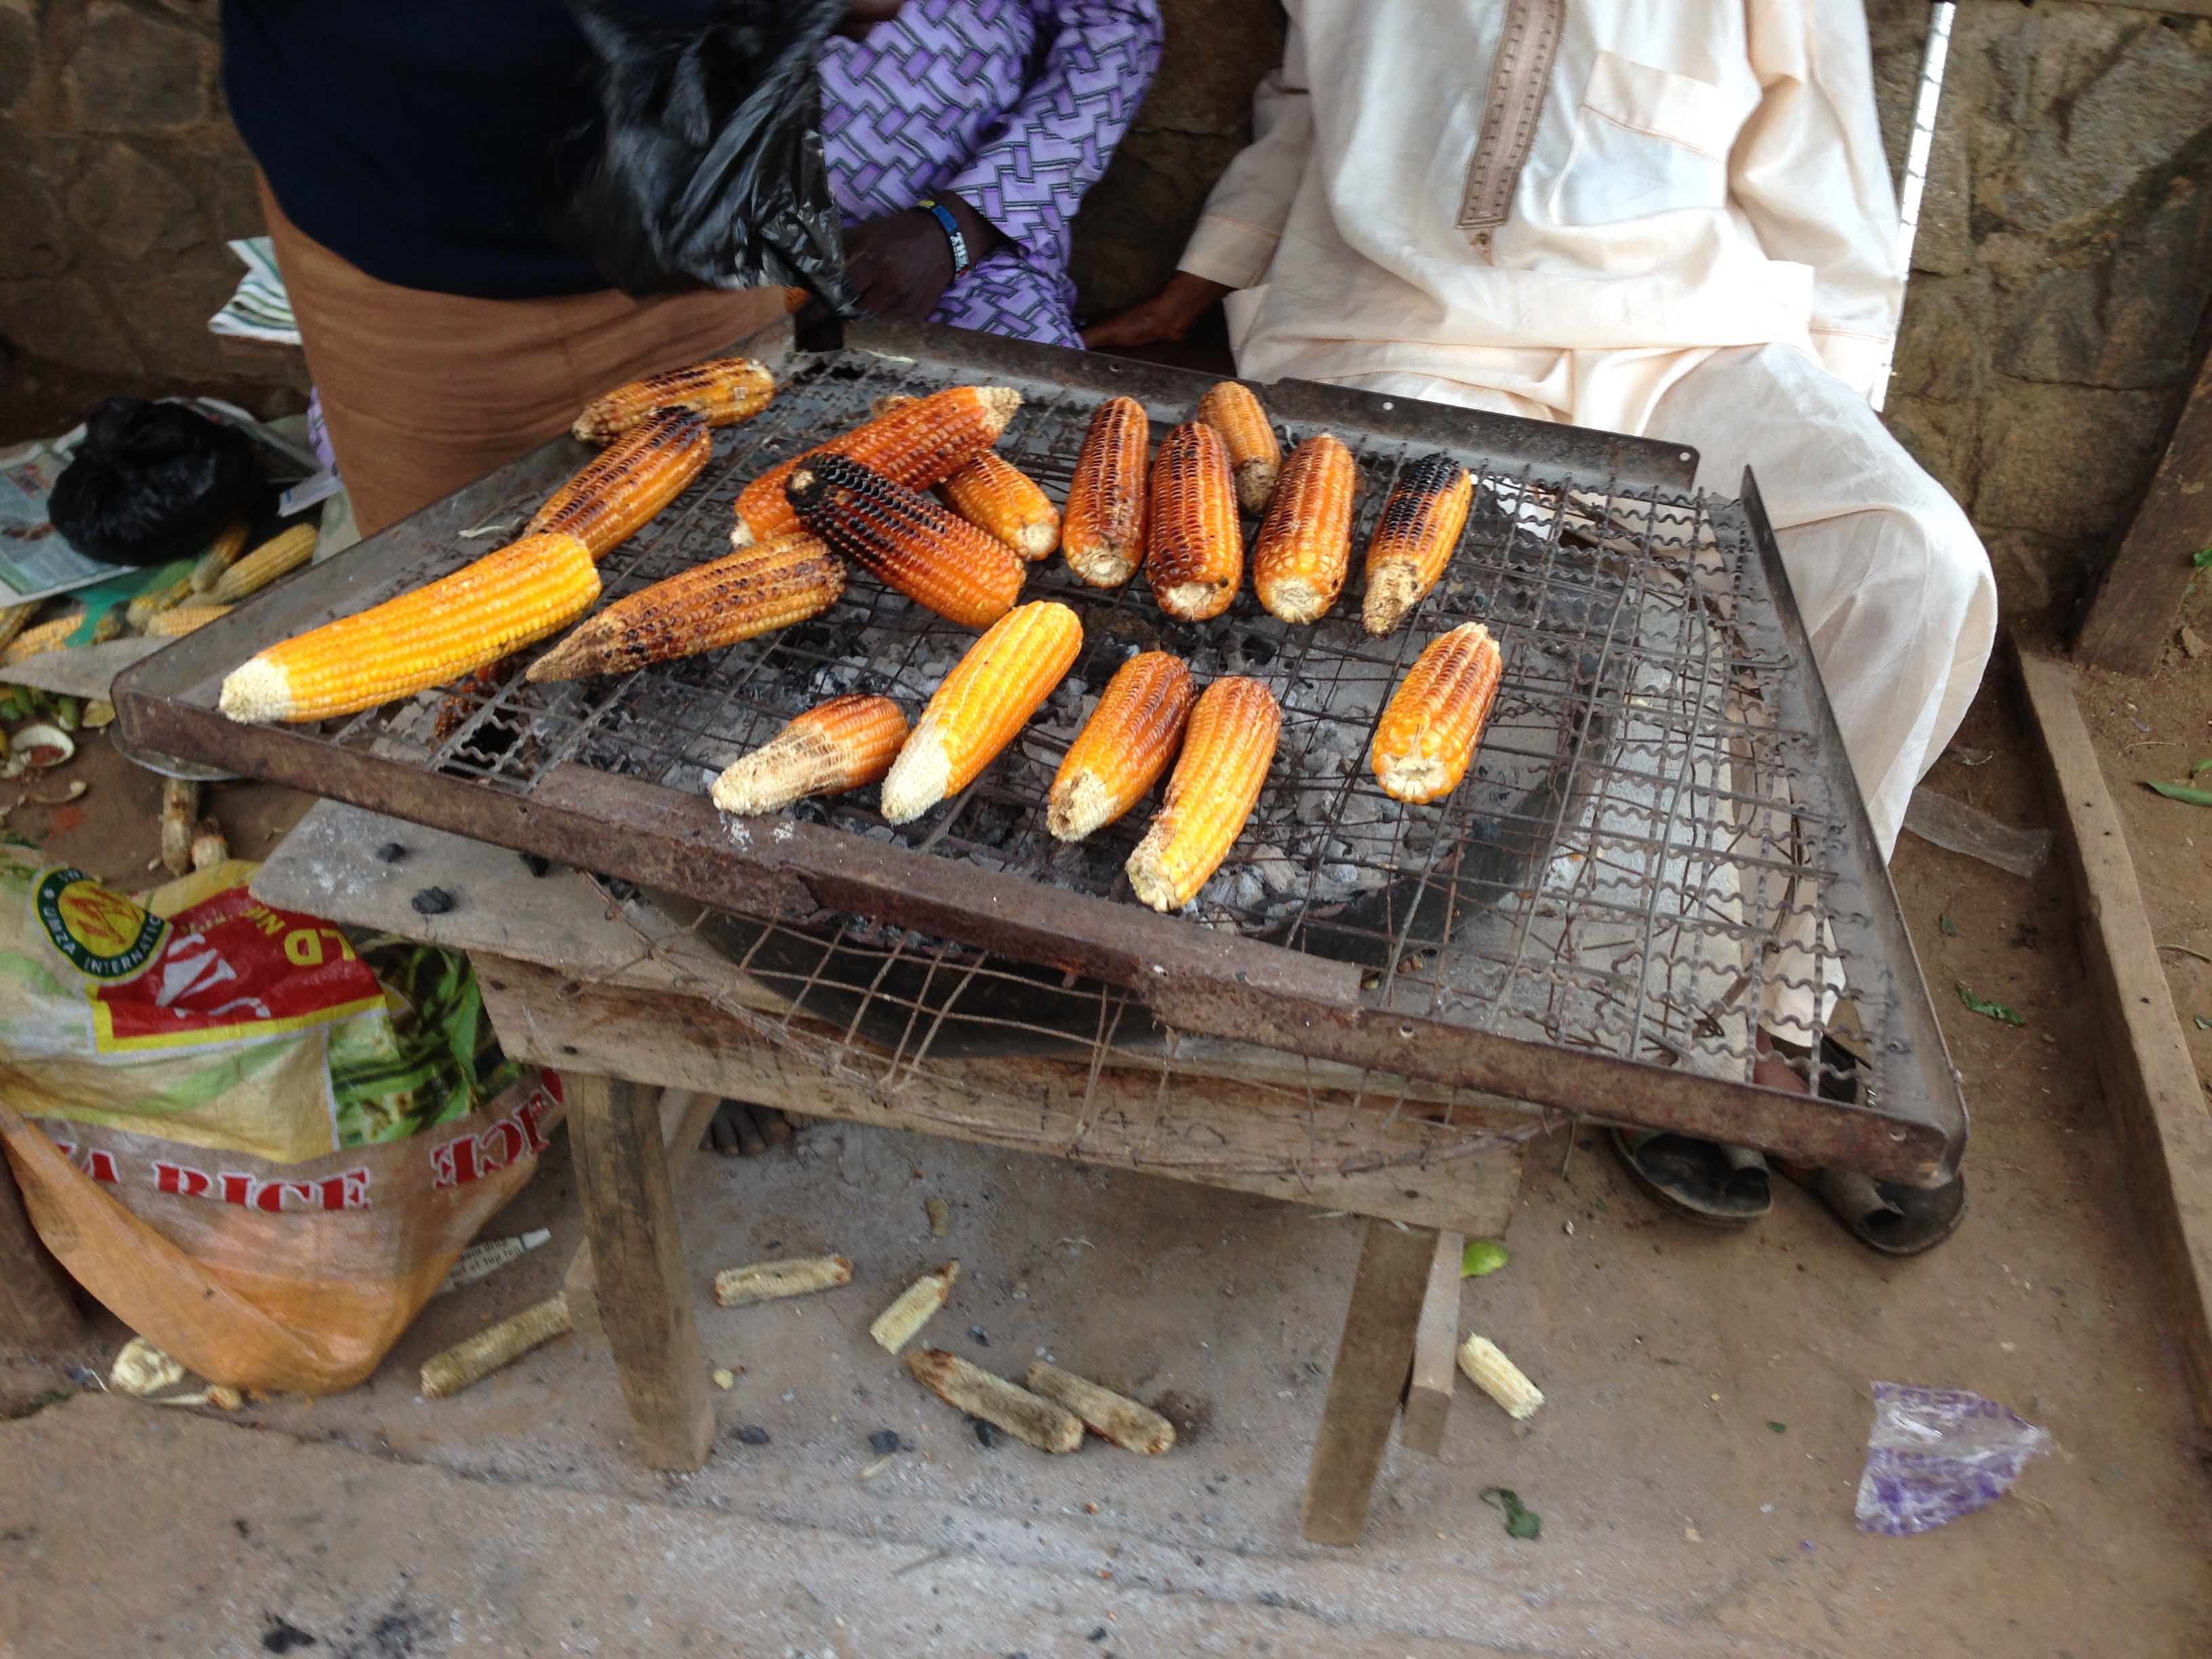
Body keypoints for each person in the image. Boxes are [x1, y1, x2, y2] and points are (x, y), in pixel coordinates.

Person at [1090, 1, 1994, 1252]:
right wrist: (1200, 279)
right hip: (1401, 333)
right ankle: (1617, 1024)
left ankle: (1766, 1022)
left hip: (1688, 341)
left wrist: (1832, 439)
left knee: (1911, 565)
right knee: (1462, 606)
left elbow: (1823, 193)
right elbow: (1304, 111)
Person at [220, 0, 1160, 536]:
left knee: (1030, 486)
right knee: (455, 546)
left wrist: (956, 227)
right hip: (433, 233)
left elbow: (1117, 28)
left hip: (916, 247)